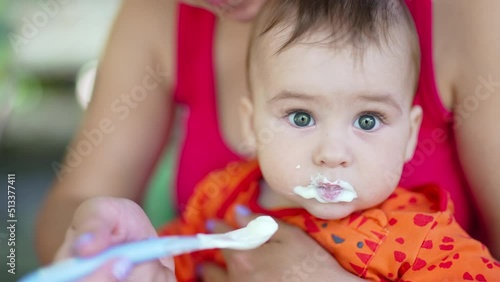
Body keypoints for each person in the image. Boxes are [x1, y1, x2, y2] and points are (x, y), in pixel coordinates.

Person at [37, 0, 500, 280]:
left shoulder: (427, 241)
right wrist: (121, 249)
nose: (332, 153)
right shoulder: (222, 198)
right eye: (300, 116)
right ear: (250, 124)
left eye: (368, 120)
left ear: (410, 135)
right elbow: (166, 258)